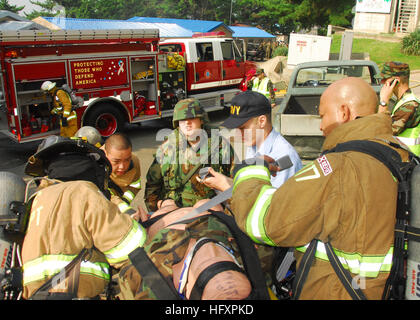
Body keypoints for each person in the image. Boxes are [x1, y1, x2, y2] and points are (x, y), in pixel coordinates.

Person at [228, 77, 410, 299]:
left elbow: (265, 221)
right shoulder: (399, 153)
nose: (321, 126)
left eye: (323, 115)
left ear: (344, 112)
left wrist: (249, 169)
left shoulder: (338, 167)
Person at [21, 136, 146, 299]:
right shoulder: (85, 191)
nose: (122, 166)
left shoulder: (36, 200)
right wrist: (133, 224)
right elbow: (130, 249)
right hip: (80, 290)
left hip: (34, 293)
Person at [117, 199, 268, 300]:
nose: (211, 253)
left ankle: (164, 203)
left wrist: (140, 226)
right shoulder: (258, 260)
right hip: (211, 217)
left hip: (167, 221)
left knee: (168, 205)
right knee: (206, 201)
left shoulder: (144, 277)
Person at [144, 98, 235, 212]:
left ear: (201, 120)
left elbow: (233, 181)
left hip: (209, 208)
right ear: (177, 124)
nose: (187, 123)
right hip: (176, 209)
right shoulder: (167, 148)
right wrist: (153, 214)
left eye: (191, 118)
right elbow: (153, 185)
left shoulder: (219, 145)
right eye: (182, 120)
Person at [202, 91, 301, 191]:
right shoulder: (254, 145)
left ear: (262, 121)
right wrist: (225, 181)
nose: (238, 134)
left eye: (243, 128)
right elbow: (251, 186)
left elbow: (271, 203)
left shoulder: (283, 157)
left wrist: (227, 187)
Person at [378, 61, 420, 156]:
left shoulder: (410, 105)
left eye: (385, 79)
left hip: (408, 163)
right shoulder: (402, 101)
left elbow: (382, 132)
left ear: (396, 81)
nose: (382, 82)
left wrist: (383, 102)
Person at [102, 133, 142, 216]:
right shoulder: (95, 166)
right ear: (105, 153)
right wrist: (123, 207)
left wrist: (125, 201)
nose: (122, 167)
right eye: (116, 161)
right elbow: (103, 195)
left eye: (127, 160)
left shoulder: (134, 162)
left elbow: (135, 186)